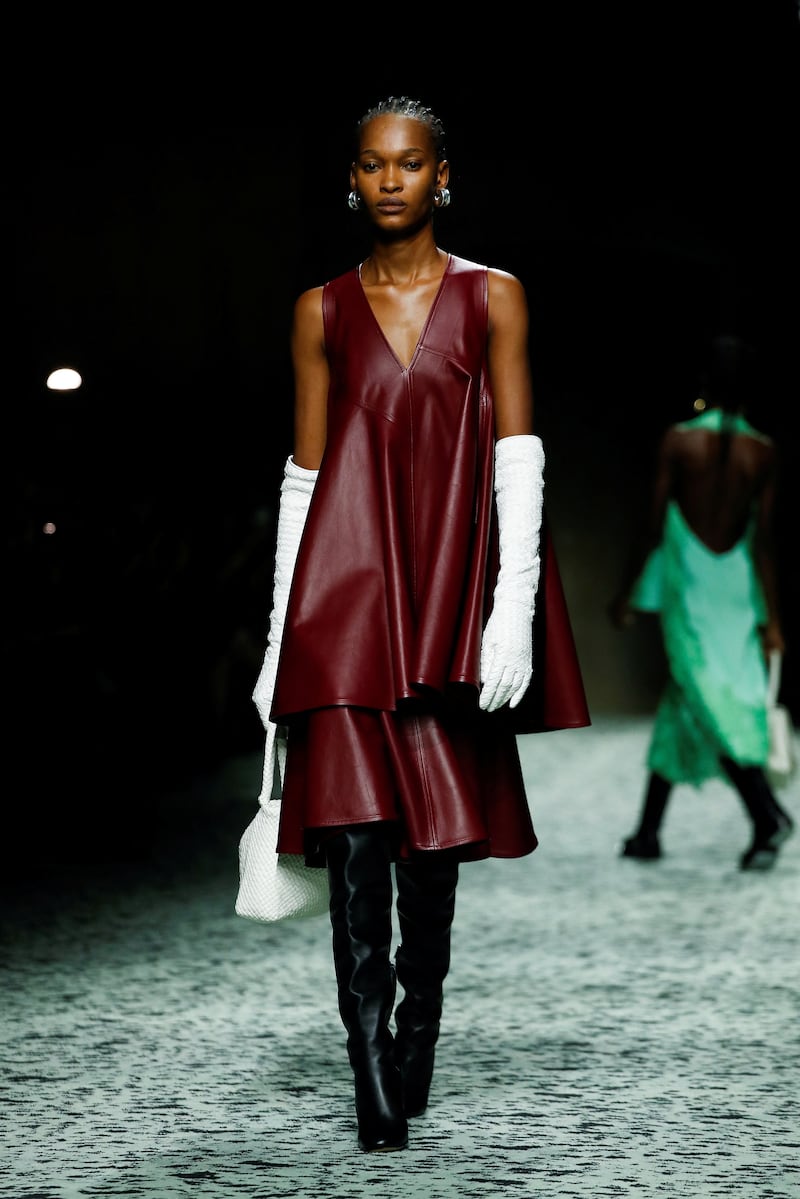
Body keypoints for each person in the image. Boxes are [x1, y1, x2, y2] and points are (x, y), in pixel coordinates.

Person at [250, 96, 589, 1153]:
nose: (388, 180)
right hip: (344, 605)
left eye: (409, 165)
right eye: (370, 165)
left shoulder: (494, 300)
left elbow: (517, 456)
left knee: (426, 854)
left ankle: (417, 1028)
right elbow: (303, 479)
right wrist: (277, 639)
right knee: (354, 844)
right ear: (350, 179)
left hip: (447, 592)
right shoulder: (317, 310)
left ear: (442, 176)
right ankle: (370, 1081)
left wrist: (511, 612)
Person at [608, 333, 794, 871]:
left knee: (704, 697)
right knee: (690, 696)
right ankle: (646, 833)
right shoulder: (763, 451)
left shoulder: (679, 441)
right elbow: (763, 540)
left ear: (705, 384)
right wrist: (773, 618)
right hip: (737, 589)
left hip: (690, 587)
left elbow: (651, 524)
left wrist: (625, 591)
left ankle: (766, 813)